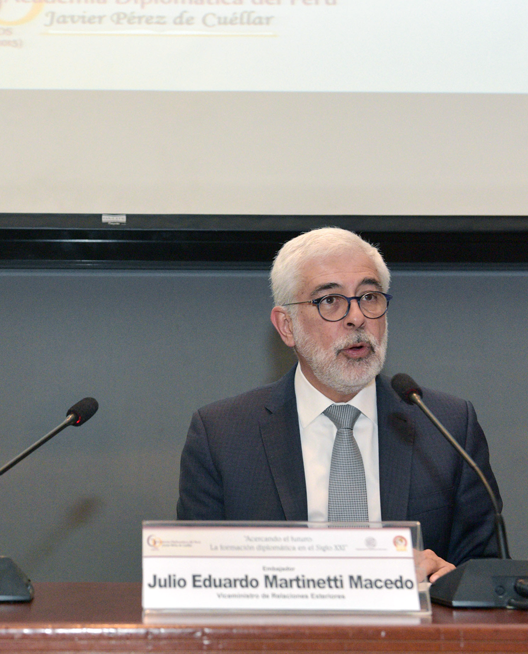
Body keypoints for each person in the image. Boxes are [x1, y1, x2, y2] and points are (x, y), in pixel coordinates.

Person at [177, 227, 501, 582]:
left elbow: (489, 578)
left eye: (369, 297)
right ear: (286, 326)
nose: (357, 317)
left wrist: (450, 583)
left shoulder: (448, 426)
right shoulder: (221, 436)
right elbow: (194, 579)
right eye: (330, 300)